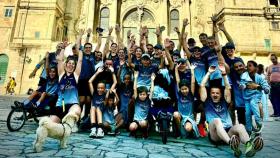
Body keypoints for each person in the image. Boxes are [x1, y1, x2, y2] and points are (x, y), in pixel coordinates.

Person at [200, 65, 263, 157]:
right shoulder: (207, 101)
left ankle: (249, 145)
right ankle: (231, 144)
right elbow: (202, 85)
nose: (215, 95)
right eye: (212, 93)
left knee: (240, 126)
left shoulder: (225, 102)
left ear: (221, 95)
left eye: (217, 93)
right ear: (210, 94)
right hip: (215, 134)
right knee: (217, 120)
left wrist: (224, 74)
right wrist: (209, 73)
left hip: (228, 131)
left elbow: (227, 87)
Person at [49, 35, 83, 131]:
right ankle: (64, 123)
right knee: (50, 127)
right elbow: (59, 59)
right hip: (60, 105)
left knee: (75, 111)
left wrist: (80, 46)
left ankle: (72, 122)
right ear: (66, 64)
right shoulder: (61, 74)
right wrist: (63, 47)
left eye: (73, 64)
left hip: (72, 105)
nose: (71, 65)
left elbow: (80, 60)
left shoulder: (75, 75)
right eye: (69, 63)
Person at [240, 60, 270, 134]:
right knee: (247, 113)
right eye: (247, 66)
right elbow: (242, 84)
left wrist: (258, 86)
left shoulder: (259, 77)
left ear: (255, 67)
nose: (248, 67)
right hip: (247, 98)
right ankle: (249, 130)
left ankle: (258, 122)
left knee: (253, 103)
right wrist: (243, 86)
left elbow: (267, 89)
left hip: (255, 96)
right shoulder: (244, 75)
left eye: (250, 65)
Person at [88, 66, 117, 138]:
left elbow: (115, 82)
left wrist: (113, 72)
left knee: (97, 108)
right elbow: (89, 81)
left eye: (102, 88)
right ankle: (93, 129)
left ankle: (100, 129)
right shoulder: (94, 93)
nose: (100, 89)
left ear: (104, 89)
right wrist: (97, 73)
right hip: (94, 113)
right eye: (98, 88)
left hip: (102, 111)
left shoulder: (106, 93)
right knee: (93, 107)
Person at [173, 63, 199, 138]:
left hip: (189, 118)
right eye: (182, 89)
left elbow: (193, 82)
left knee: (188, 128)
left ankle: (189, 131)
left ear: (189, 88)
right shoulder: (178, 95)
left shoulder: (190, 95)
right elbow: (178, 81)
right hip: (181, 117)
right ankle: (178, 131)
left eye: (186, 89)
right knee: (175, 114)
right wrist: (176, 69)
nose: (184, 91)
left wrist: (192, 70)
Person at [129, 71, 155, 138]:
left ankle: (145, 132)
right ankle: (135, 131)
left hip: (145, 121)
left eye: (144, 94)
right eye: (141, 94)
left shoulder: (148, 100)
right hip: (136, 120)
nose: (142, 96)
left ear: (146, 95)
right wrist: (135, 78)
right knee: (131, 127)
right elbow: (134, 89)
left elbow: (152, 91)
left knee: (143, 123)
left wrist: (152, 80)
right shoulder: (137, 99)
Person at [267, 53, 280, 118]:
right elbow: (268, 75)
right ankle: (275, 112)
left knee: (278, 98)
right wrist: (268, 82)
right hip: (272, 85)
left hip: (279, 84)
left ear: (276, 58)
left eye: (273, 59)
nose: (272, 60)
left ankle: (278, 113)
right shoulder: (270, 67)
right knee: (272, 98)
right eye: (271, 59)